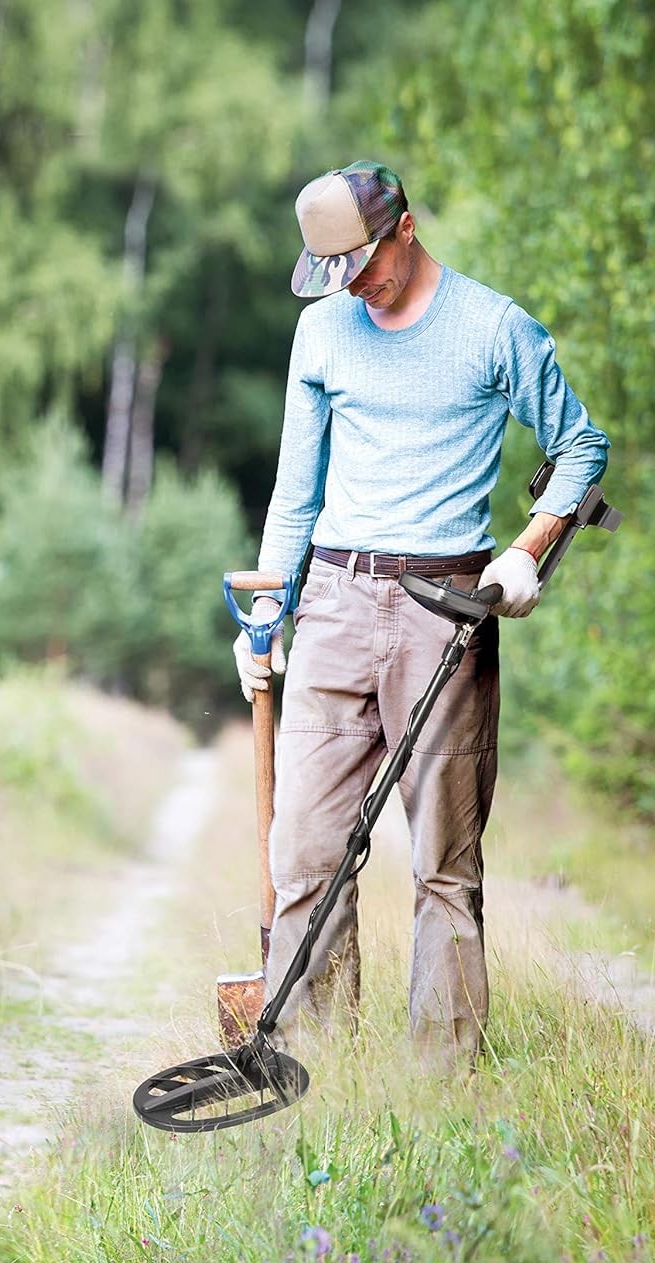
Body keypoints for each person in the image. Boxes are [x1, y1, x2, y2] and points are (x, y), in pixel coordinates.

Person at [234, 160, 609, 1064]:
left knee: (442, 865)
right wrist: (266, 613)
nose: (351, 285)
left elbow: (580, 447)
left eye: (361, 263)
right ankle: (312, 1074)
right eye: (331, 272)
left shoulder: (493, 328)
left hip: (444, 607)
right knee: (305, 856)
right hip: (329, 603)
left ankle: (440, 1088)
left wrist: (527, 550)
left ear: (405, 225)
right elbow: (296, 492)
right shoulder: (321, 333)